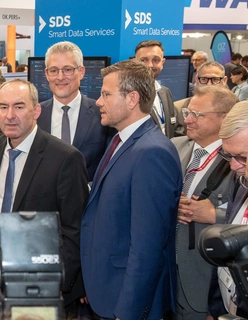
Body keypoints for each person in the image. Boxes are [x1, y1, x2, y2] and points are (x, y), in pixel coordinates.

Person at [81, 60, 182, 319]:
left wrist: (128, 312)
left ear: (132, 99)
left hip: (127, 302)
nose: (98, 102)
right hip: (107, 291)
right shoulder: (119, 139)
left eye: (106, 94)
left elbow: (148, 246)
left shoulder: (152, 153)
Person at [0, 79, 89, 309]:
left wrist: (51, 281)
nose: (9, 115)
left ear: (36, 111)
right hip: (4, 276)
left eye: (19, 106)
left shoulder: (66, 158)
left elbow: (75, 230)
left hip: (45, 287)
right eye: (3, 107)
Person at [171, 86, 238, 320]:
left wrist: (214, 216)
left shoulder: (240, 160)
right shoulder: (174, 146)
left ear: (225, 118)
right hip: (166, 271)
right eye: (187, 112)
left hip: (204, 279)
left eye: (197, 115)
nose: (187, 119)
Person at [37, 41, 112, 182]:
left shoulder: (101, 113)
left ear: (81, 72)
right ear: (46, 74)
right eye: (54, 70)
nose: (60, 77)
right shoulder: (35, 115)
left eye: (67, 69)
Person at [208, 100, 248, 320]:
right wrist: (215, 309)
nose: (233, 166)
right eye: (228, 155)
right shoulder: (241, 181)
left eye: (242, 157)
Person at [134, 40, 180, 138]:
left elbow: (174, 127)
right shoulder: (126, 94)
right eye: (143, 60)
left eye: (156, 60)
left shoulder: (165, 92)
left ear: (162, 62)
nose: (150, 65)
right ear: (135, 62)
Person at [175, 61, 229, 135]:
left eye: (215, 79)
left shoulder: (235, 108)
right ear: (197, 80)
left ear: (224, 80)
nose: (209, 84)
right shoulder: (179, 109)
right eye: (204, 79)